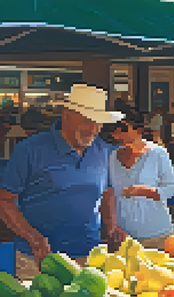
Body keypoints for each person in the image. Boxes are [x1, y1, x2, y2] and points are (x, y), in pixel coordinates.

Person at [0, 84, 128, 279]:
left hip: (90, 259)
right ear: (66, 115)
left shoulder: (102, 150)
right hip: (38, 261)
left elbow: (106, 192)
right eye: (87, 121)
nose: (93, 130)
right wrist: (33, 238)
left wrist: (111, 229)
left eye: (99, 123)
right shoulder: (30, 150)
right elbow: (5, 200)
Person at [108, 114, 174, 248]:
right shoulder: (112, 157)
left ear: (138, 129)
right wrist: (112, 227)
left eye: (122, 128)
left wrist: (146, 192)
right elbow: (109, 192)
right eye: (113, 129)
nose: (117, 134)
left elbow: (172, 187)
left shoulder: (158, 153)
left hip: (156, 235)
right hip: (124, 238)